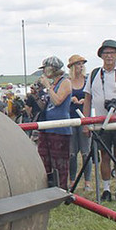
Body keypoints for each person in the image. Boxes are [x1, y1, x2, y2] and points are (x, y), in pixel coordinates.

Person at [82, 39, 116, 201]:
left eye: (112, 53)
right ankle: (105, 189)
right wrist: (86, 122)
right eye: (106, 53)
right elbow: (87, 99)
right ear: (101, 55)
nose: (109, 56)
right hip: (100, 122)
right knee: (104, 156)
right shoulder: (94, 75)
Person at [34, 56, 73, 189]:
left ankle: (61, 188)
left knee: (60, 162)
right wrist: (36, 95)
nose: (44, 72)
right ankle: (48, 187)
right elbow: (44, 106)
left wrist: (48, 87)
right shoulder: (53, 85)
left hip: (60, 128)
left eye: (45, 68)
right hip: (46, 127)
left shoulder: (65, 82)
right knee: (45, 160)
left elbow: (58, 101)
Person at [66, 54, 91, 189]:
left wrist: (85, 100)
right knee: (72, 153)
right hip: (70, 118)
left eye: (82, 64)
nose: (80, 67)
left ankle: (87, 181)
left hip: (84, 117)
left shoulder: (87, 81)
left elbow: (91, 96)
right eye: (77, 64)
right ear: (72, 67)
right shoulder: (67, 81)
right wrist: (71, 99)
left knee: (86, 152)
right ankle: (72, 180)